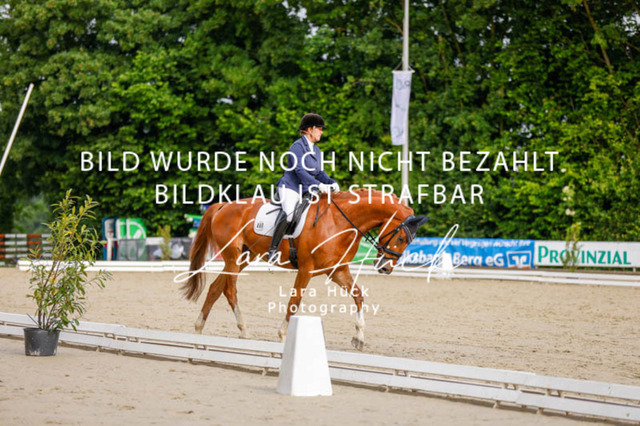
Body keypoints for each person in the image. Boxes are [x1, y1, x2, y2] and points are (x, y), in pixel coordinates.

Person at [267, 113, 339, 263]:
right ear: (310, 129)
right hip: (291, 187)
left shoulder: (316, 150)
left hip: (306, 190)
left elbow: (319, 172)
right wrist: (318, 185)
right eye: (320, 129)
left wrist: (331, 182)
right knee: (289, 214)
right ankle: (273, 250)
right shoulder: (297, 147)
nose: (322, 132)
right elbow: (299, 170)